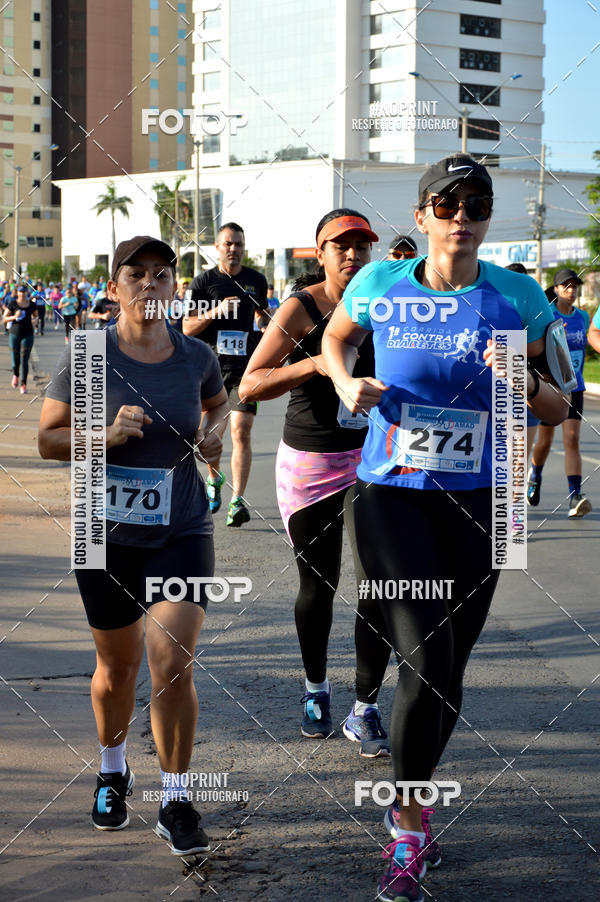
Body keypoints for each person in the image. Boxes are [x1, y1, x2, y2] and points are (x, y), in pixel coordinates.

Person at [322, 154, 569, 901]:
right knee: (426, 657)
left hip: (489, 500)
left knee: (448, 670)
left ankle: (415, 809)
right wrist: (344, 380)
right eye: (447, 201)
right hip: (391, 494)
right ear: (423, 215)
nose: (462, 214)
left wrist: (524, 383)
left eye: (477, 202)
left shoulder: (519, 297)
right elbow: (335, 339)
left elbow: (563, 406)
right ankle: (405, 831)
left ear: (487, 218)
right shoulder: (379, 284)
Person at [38, 236, 229, 855]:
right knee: (116, 669)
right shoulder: (88, 354)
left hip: (182, 528)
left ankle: (176, 800)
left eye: (162, 275)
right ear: (115, 287)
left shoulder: (196, 355)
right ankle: (114, 767)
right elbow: (48, 440)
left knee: (172, 662)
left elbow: (218, 410)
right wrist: (104, 434)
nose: (151, 284)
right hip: (104, 534)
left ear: (176, 288)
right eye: (136, 274)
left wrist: (213, 442)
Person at [240, 209, 391, 756]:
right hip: (310, 463)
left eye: (361, 247)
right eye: (340, 246)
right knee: (319, 583)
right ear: (320, 253)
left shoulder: (386, 303)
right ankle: (314, 687)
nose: (352, 255)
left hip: (374, 460)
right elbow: (250, 384)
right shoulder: (301, 308)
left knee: (380, 583)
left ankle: (366, 706)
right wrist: (316, 366)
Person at [183, 222, 269, 527]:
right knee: (209, 440)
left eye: (239, 244)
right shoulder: (203, 283)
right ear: (218, 247)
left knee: (241, 433)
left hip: (245, 372)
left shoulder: (256, 280)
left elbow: (263, 316)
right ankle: (215, 477)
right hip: (212, 372)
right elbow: (187, 327)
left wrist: (268, 327)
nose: (234, 249)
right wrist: (215, 311)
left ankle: (238, 501)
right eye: (228, 244)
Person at [527, 269, 592, 517]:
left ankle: (575, 495)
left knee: (572, 439)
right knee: (544, 441)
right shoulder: (547, 315)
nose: (572, 291)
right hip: (551, 388)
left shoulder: (583, 317)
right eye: (566, 286)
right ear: (555, 290)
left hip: (575, 385)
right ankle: (536, 475)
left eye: (575, 286)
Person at [3, 285, 38, 393]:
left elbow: (36, 316)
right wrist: (14, 317)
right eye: (20, 292)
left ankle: (23, 384)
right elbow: (4, 318)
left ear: (27, 293)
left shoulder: (31, 304)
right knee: (15, 361)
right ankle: (16, 375)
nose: (22, 293)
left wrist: (35, 321)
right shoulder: (12, 304)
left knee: (24, 360)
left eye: (24, 291)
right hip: (15, 334)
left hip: (28, 334)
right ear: (17, 293)